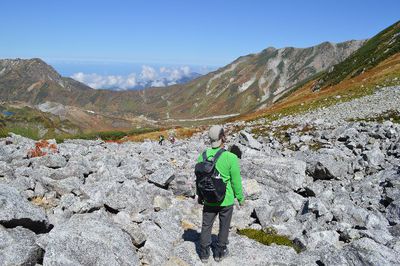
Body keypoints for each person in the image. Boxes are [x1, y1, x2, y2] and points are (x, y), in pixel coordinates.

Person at [197, 125, 244, 263]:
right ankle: (220, 252)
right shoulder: (231, 157)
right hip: (226, 200)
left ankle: (204, 253)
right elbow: (236, 182)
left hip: (208, 199)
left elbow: (199, 180)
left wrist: (200, 196)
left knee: (206, 225)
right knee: (224, 225)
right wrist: (240, 198)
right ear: (222, 137)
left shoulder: (202, 156)